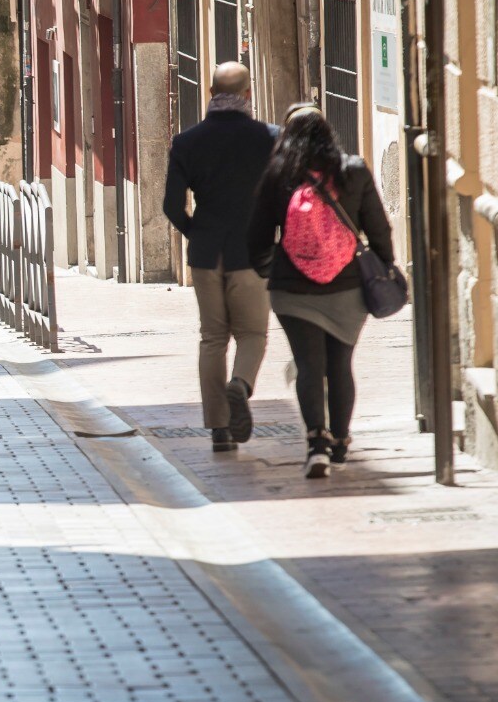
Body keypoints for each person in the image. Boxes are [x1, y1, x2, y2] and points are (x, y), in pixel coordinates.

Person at [247, 105, 395, 479]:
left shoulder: (278, 174)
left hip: (293, 290)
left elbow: (257, 239)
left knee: (309, 365)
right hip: (347, 288)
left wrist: (273, 270)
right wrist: (383, 267)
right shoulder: (353, 171)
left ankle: (317, 443)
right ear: (328, 133)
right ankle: (342, 441)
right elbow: (378, 229)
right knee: (340, 365)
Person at [163, 62, 279, 453]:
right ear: (248, 95)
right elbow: (282, 197)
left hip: (206, 252)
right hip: (251, 251)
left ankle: (219, 429)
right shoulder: (268, 138)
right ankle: (240, 385)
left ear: (210, 94)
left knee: (212, 338)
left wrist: (196, 232)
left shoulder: (187, 142)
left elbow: (171, 206)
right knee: (252, 334)